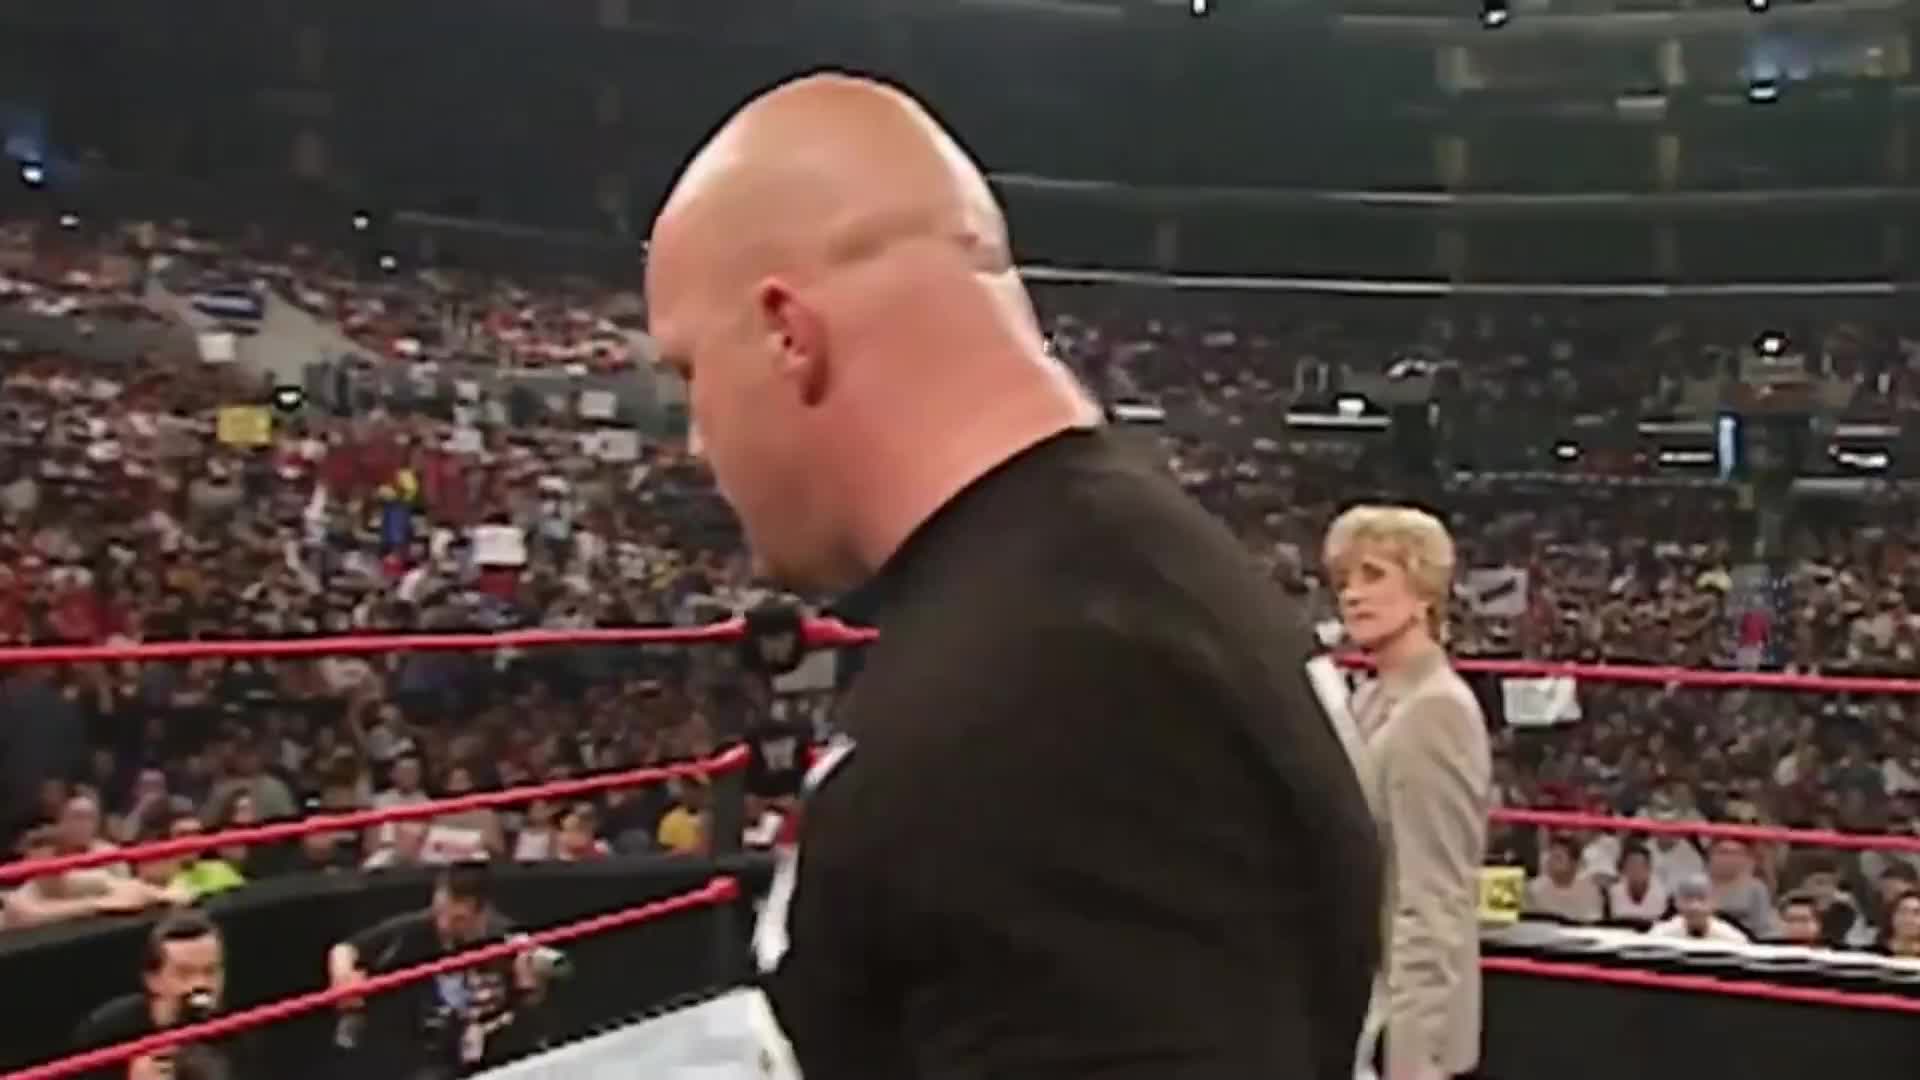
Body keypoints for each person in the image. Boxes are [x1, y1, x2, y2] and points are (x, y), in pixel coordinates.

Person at [647, 71, 1382, 1078]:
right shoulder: (1108, 593)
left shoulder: (1052, 697)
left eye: (691, 371)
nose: (696, 440)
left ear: (788, 335)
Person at [1325, 505, 1491, 1080]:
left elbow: (1433, 898)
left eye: (1373, 575)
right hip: (1360, 1003)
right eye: (1344, 581)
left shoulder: (1436, 710)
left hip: (1400, 1027)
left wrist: (1415, 1064)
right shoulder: (1371, 699)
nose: (1352, 595)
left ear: (1423, 593)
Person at [326, 864, 550, 1079]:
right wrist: (344, 979)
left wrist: (530, 985)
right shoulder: (418, 928)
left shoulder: (506, 937)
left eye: (458, 919)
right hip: (435, 1054)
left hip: (496, 1048)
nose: (445, 924)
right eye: (441, 912)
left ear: (480, 914)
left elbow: (533, 1001)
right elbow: (345, 949)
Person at [73, 910, 249, 1080]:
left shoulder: (236, 1031)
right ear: (152, 979)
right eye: (184, 973)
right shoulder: (107, 1034)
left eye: (210, 971)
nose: (200, 984)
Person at [1648, 874, 1749, 943]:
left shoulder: (1733, 939)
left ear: (1715, 903)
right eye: (1688, 899)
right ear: (1676, 903)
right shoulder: (1659, 936)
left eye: (1702, 899)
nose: (1694, 906)